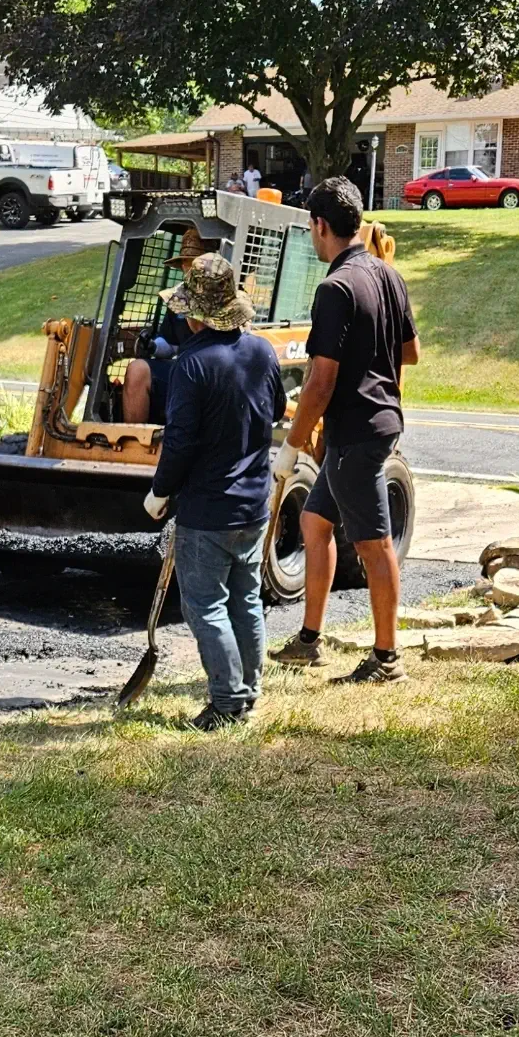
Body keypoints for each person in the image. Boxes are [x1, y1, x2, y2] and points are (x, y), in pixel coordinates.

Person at [269, 176, 420, 684]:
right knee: (315, 523)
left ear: (319, 225)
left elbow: (320, 382)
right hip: (373, 424)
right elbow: (411, 353)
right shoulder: (387, 275)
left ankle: (387, 660)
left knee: (374, 546)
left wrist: (291, 447)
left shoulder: (334, 288)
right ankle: (309, 641)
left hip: (356, 433)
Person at [141, 253, 287, 729]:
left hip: (208, 509)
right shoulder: (262, 351)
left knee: (205, 605)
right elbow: (277, 410)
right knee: (246, 599)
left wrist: (160, 492)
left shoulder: (191, 364)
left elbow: (180, 441)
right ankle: (249, 692)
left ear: (194, 314)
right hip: (254, 504)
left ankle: (227, 702)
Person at [122, 228, 213, 424]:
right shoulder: (178, 300)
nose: (187, 269)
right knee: (137, 369)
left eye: (192, 264)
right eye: (185, 264)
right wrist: (153, 346)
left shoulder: (223, 300)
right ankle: (134, 438)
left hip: (212, 372)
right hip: (182, 369)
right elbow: (171, 344)